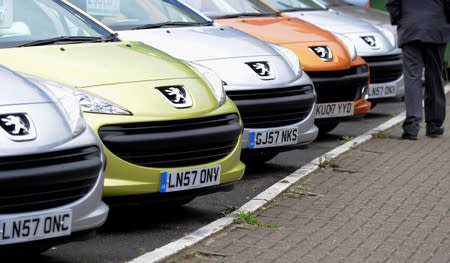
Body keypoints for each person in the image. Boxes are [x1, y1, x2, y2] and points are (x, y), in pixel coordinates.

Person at [386, 0, 449, 140]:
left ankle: (411, 127)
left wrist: (401, 20)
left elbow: (392, 3)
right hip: (436, 29)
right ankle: (434, 125)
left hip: (410, 28)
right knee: (434, 76)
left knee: (412, 77)